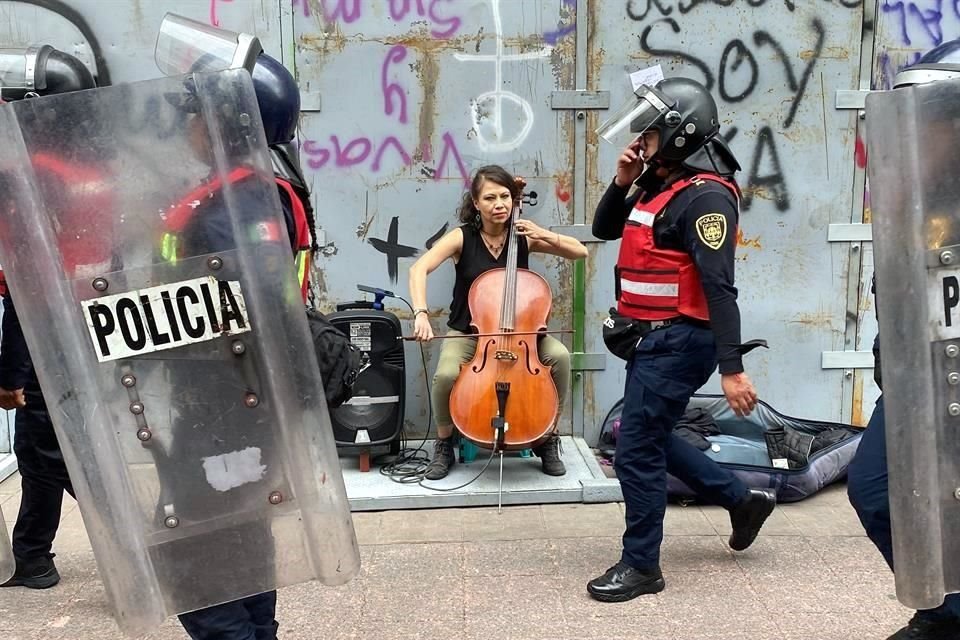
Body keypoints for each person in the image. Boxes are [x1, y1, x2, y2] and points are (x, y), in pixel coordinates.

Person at [586, 77, 776, 602]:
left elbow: (720, 290)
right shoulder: (660, 182)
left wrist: (732, 369)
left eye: (649, 134)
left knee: (636, 450)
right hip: (650, 341)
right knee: (649, 435)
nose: (640, 142)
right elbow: (606, 229)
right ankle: (741, 500)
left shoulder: (707, 199)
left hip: (679, 342)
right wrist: (623, 180)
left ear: (679, 134)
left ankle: (641, 565)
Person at [157, 52, 316, 640]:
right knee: (244, 532)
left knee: (191, 557)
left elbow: (242, 300)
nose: (188, 125)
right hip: (242, 400)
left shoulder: (236, 203)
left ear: (223, 122)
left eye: (195, 112)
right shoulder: (261, 189)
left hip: (223, 403)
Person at [847, 39, 960, 640]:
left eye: (935, 116)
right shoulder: (917, 195)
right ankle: (945, 611)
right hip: (919, 378)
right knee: (876, 492)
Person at [408, 165, 588, 480]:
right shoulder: (462, 237)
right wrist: (420, 312)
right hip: (470, 332)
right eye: (490, 197)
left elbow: (580, 252)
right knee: (445, 376)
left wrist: (543, 233)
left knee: (559, 357)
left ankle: (547, 437)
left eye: (505, 196)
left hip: (523, 333)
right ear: (476, 203)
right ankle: (444, 442)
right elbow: (418, 269)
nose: (499, 204)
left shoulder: (523, 237)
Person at [0, 45, 103, 590]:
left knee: (47, 448)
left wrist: (10, 372)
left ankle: (135, 543)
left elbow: (28, 281)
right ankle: (33, 556)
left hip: (47, 328)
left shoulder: (31, 174)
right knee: (58, 444)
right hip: (87, 322)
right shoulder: (88, 164)